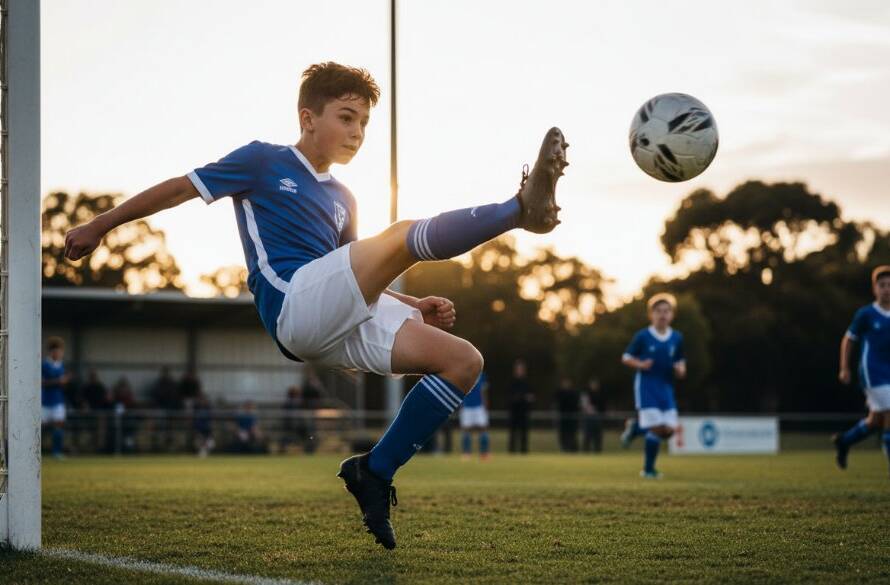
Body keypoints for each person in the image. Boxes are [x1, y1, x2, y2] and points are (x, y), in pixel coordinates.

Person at [63, 62, 568, 549]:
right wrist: (100, 224)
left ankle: (374, 471)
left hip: (335, 312)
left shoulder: (345, 196)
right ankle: (518, 210)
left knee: (463, 361)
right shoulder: (263, 160)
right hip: (292, 305)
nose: (358, 132)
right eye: (346, 117)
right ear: (308, 118)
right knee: (396, 238)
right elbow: (180, 188)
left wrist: (411, 302)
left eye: (365, 122)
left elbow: (351, 275)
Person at [833, 265, 890, 476]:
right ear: (875, 289)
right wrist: (844, 367)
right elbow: (849, 339)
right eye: (882, 285)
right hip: (872, 371)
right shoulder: (866, 314)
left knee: (876, 420)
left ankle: (844, 441)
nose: (886, 289)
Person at [621, 293, 686, 478]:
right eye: (658, 311)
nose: (662, 315)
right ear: (651, 314)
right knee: (656, 428)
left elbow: (681, 360)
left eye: (666, 311)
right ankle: (648, 470)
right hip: (647, 386)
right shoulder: (643, 336)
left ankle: (635, 428)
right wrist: (640, 364)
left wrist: (680, 370)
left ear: (672, 314)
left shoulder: (677, 337)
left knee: (669, 430)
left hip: (666, 388)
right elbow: (626, 357)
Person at [41, 337, 71, 459]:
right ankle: (37, 452)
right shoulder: (44, 365)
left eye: (61, 352)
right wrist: (59, 381)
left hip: (58, 401)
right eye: (58, 351)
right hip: (44, 401)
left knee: (58, 426)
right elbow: (41, 382)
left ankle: (56, 452)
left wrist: (64, 382)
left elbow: (63, 383)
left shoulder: (61, 365)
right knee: (39, 428)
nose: (60, 354)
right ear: (52, 352)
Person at [460, 372, 491, 460]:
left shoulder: (481, 375)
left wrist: (485, 405)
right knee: (466, 429)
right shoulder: (464, 374)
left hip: (479, 406)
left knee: (483, 428)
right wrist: (461, 404)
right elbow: (461, 390)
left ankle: (484, 453)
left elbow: (484, 391)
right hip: (467, 406)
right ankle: (466, 454)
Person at [508, 359, 535, 454]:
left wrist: (527, 398)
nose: (520, 371)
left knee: (524, 432)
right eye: (518, 369)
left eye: (521, 369)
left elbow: (531, 396)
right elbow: (509, 397)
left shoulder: (527, 383)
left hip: (524, 411)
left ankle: (524, 451)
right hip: (514, 411)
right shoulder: (512, 383)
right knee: (513, 432)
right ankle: (511, 451)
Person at [580, 378, 605, 453]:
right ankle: (585, 450)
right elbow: (584, 405)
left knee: (598, 435)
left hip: (598, 416)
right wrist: (589, 409)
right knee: (587, 434)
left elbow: (602, 406)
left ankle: (598, 450)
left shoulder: (600, 393)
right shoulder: (586, 393)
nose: (594, 386)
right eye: (593, 384)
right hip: (588, 417)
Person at [555, 377, 580, 452]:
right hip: (563, 418)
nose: (566, 384)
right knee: (563, 434)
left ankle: (573, 449)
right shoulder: (560, 392)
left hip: (572, 418)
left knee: (572, 434)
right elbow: (558, 404)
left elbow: (576, 405)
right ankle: (564, 448)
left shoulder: (574, 392)